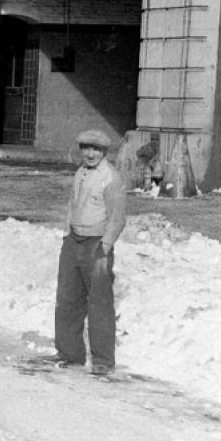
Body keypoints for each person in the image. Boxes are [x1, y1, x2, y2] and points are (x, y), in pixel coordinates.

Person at [55, 129, 127, 376]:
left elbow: (118, 218)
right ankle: (69, 354)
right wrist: (67, 233)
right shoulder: (80, 172)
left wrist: (104, 247)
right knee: (67, 300)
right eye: (86, 148)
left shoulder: (111, 178)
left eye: (96, 149)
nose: (90, 153)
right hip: (74, 241)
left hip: (96, 244)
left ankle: (103, 361)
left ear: (104, 152)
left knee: (99, 303)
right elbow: (73, 204)